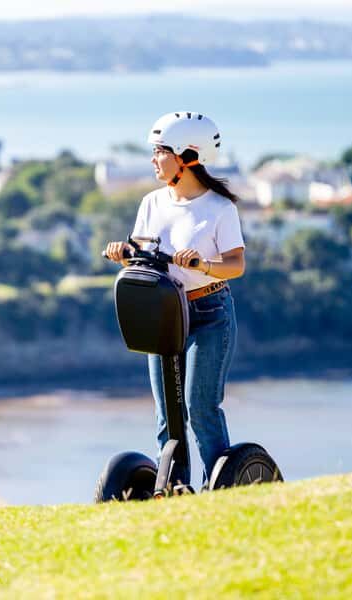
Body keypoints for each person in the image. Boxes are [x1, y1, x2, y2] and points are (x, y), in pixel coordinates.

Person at [104, 111, 246, 486]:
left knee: (200, 407)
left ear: (187, 156)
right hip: (163, 312)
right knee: (167, 412)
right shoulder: (152, 203)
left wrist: (204, 263)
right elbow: (141, 248)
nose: (153, 160)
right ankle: (174, 488)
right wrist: (124, 251)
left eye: (159, 152)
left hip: (210, 312)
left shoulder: (219, 208)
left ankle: (220, 489)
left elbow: (236, 265)